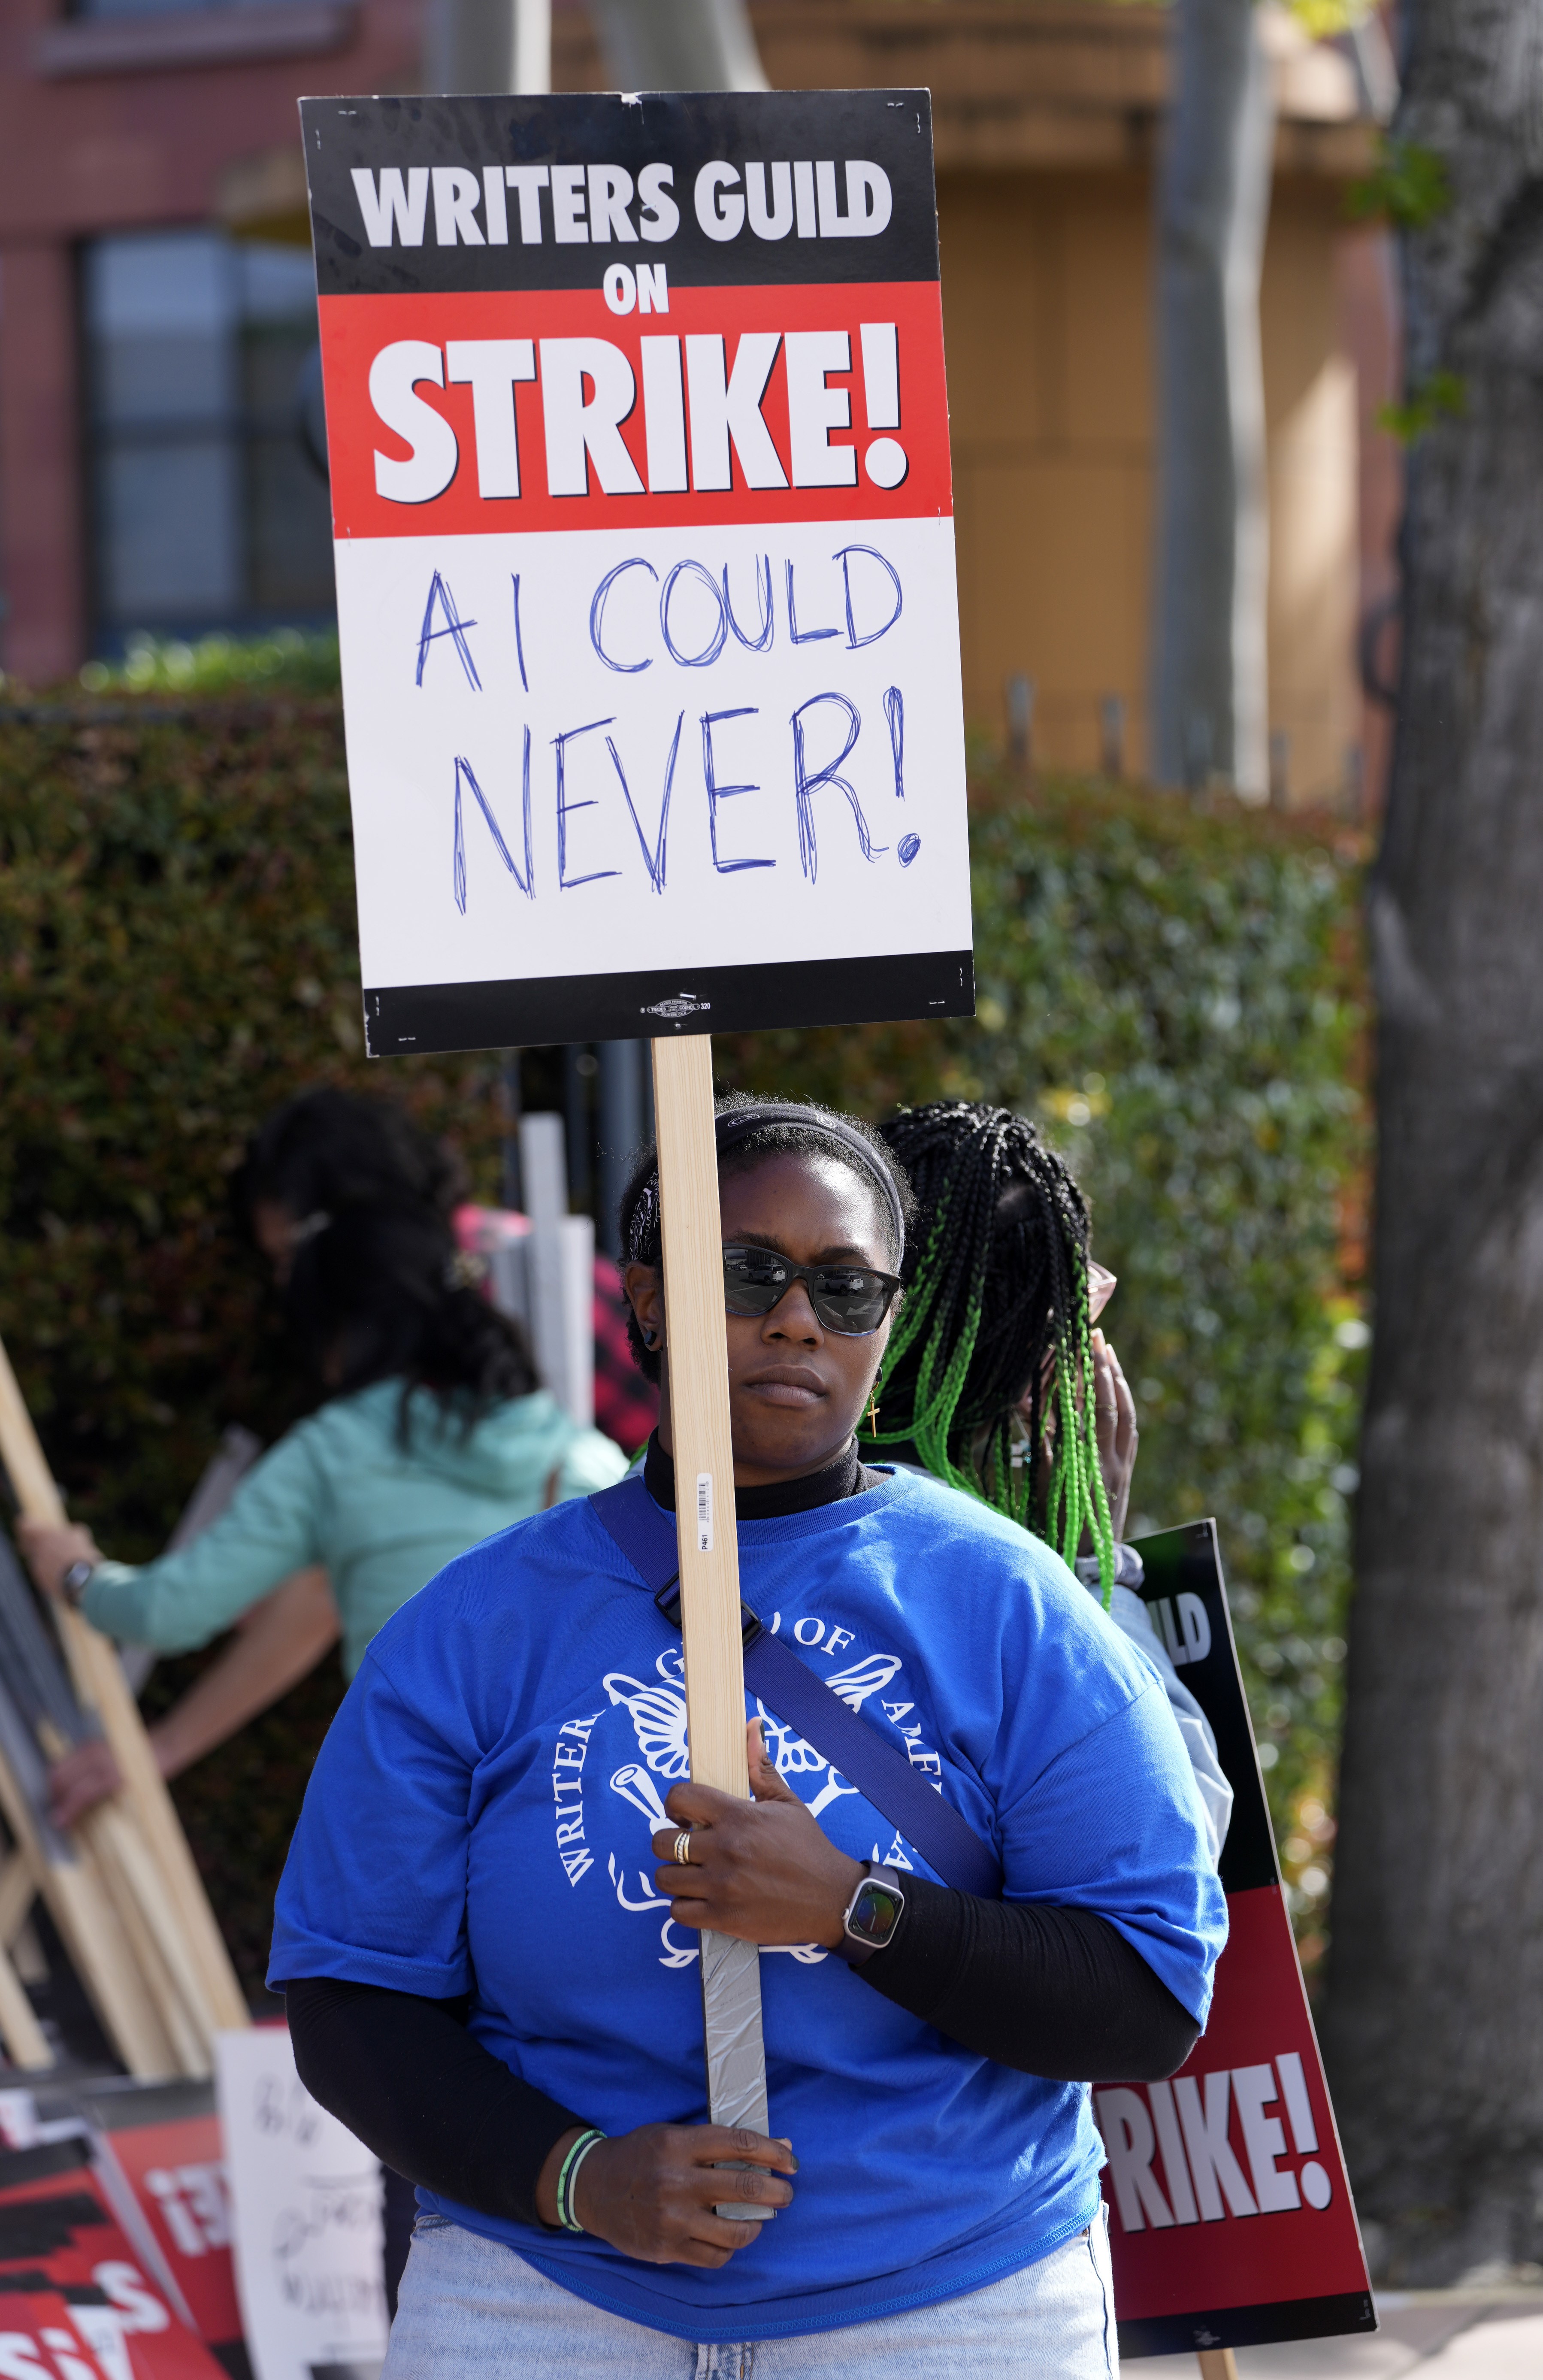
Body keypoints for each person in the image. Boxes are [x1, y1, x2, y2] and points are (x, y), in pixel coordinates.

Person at [267, 1092, 1225, 2376]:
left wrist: (854, 1906)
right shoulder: (476, 1627)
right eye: (747, 1271)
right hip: (544, 2305)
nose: (793, 1319)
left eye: (846, 1289)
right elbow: (349, 1995)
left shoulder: (1010, 1609)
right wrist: (579, 2179)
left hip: (948, 2306)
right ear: (648, 1299)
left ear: (886, 1328)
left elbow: (1143, 2002)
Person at [872, 1100, 1232, 1859]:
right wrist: (1088, 1566)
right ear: (1038, 1372)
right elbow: (1176, 1850)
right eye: (1077, 1317)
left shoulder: (722, 1494)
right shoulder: (1011, 1591)